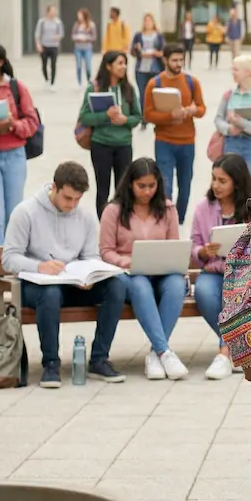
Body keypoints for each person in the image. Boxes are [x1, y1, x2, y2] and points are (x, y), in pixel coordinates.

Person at [2, 161, 126, 388]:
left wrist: (89, 276)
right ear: (54, 187)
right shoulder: (25, 212)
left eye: (77, 199)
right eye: (68, 198)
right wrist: (40, 266)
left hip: (73, 284)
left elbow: (90, 256)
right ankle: (51, 364)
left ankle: (99, 359)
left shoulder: (85, 217)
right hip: (36, 286)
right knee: (50, 294)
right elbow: (9, 258)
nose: (72, 204)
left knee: (116, 287)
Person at [100, 157, 188, 381]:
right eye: (141, 186)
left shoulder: (167, 209)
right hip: (130, 274)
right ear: (130, 184)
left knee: (176, 285)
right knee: (140, 285)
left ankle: (155, 354)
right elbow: (106, 250)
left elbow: (173, 246)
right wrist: (125, 261)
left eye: (152, 185)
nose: (147, 191)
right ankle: (164, 352)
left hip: (161, 272)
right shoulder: (113, 210)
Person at [191, 153, 251, 380]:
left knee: (235, 293)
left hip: (242, 272)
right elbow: (194, 245)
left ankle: (224, 353)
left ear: (237, 182)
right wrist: (202, 252)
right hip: (212, 270)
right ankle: (236, 348)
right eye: (213, 179)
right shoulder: (203, 208)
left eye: (222, 180)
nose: (215, 185)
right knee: (203, 292)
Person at [0, 44, 38, 248]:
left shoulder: (17, 88)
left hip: (15, 157)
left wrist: (13, 125)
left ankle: (13, 260)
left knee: (13, 215)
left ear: (1, 61)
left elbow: (32, 123)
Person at [144, 43, 206, 225]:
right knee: (166, 185)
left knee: (185, 185)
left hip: (187, 141)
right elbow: (148, 114)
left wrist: (193, 110)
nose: (179, 63)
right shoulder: (154, 84)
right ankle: (167, 221)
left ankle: (180, 220)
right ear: (165, 60)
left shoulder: (192, 82)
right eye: (174, 60)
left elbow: (202, 109)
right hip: (164, 141)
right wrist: (171, 115)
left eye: (181, 60)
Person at [79, 51, 141, 218]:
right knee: (102, 189)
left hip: (124, 145)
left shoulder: (129, 89)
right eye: (119, 63)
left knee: (123, 189)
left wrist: (125, 120)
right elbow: (84, 117)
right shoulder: (94, 88)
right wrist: (105, 115)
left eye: (125, 63)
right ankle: (104, 223)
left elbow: (138, 117)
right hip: (101, 145)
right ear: (108, 66)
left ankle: (122, 222)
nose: (124, 67)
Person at [213, 55, 251, 189]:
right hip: (231, 145)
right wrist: (229, 129)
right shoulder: (228, 95)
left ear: (248, 73)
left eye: (236, 69)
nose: (232, 72)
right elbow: (218, 119)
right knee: (229, 189)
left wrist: (241, 123)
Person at [130, 12, 165, 128]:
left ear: (153, 22)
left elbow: (164, 51)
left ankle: (156, 117)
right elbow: (132, 52)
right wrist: (137, 50)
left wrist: (156, 53)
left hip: (155, 68)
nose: (148, 23)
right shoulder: (138, 35)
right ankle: (144, 119)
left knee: (156, 94)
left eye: (150, 21)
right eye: (146, 21)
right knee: (142, 94)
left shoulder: (158, 36)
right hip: (141, 69)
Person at [34, 5, 64, 91]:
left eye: (54, 11)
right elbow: (37, 34)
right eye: (52, 11)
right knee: (44, 65)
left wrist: (57, 37)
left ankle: (52, 83)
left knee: (53, 64)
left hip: (54, 46)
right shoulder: (42, 22)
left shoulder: (58, 22)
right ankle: (46, 79)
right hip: (44, 45)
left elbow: (61, 33)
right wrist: (38, 44)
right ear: (48, 12)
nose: (53, 13)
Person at [72, 8, 97, 88]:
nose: (79, 17)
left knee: (88, 66)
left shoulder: (91, 25)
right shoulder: (76, 25)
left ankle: (88, 80)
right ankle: (79, 83)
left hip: (87, 48)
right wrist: (77, 38)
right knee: (78, 65)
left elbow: (94, 37)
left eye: (80, 15)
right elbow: (73, 35)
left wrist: (86, 38)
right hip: (78, 48)